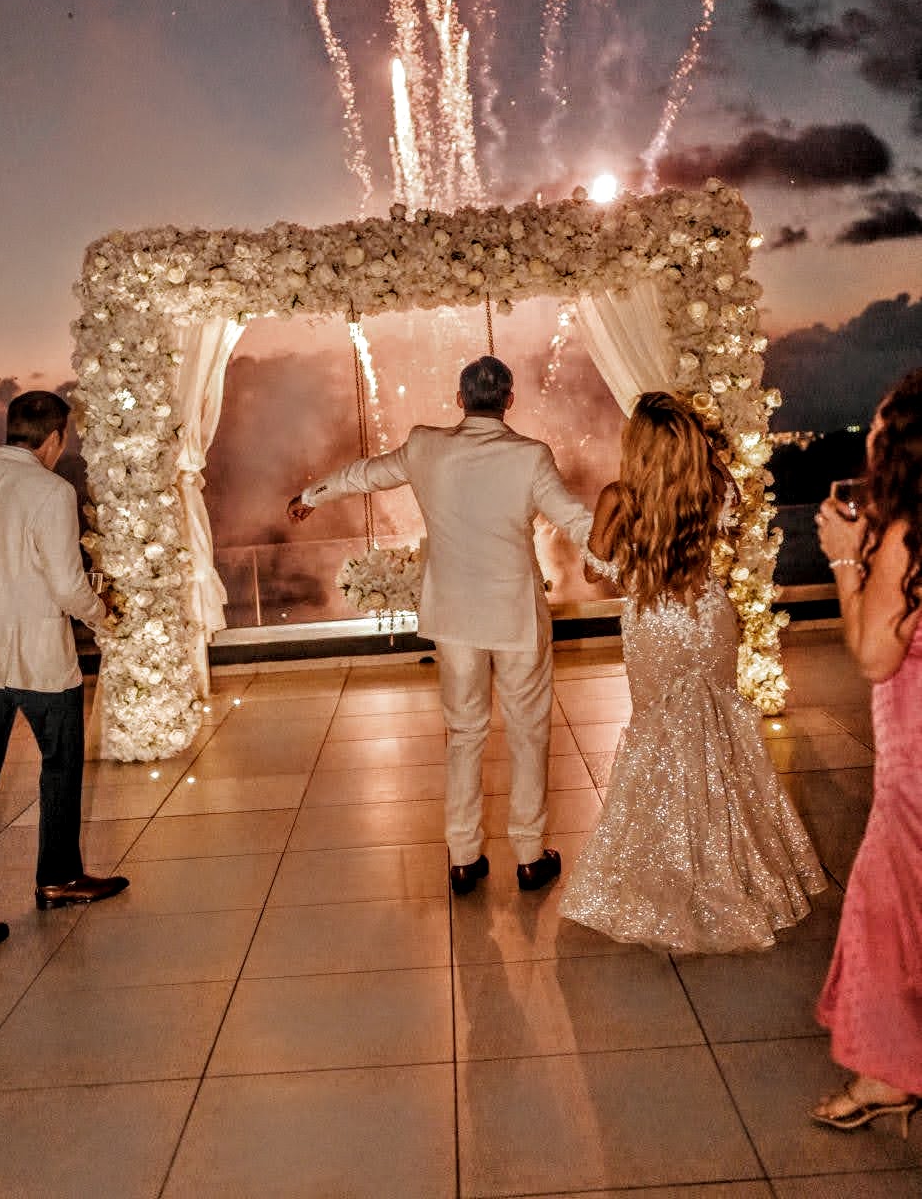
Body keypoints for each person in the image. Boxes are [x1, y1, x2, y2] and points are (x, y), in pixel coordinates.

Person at [288, 355, 596, 894]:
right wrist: (627, 554)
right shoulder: (530, 457)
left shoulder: (427, 446)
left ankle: (462, 857)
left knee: (464, 734)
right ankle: (528, 855)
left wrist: (311, 496)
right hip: (516, 617)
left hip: (454, 619)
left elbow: (367, 473)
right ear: (509, 400)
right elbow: (574, 518)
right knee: (529, 733)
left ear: (459, 399)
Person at [560, 391, 825, 952]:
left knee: (660, 738)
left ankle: (671, 861)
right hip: (708, 616)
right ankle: (734, 866)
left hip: (654, 621)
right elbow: (728, 535)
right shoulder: (715, 483)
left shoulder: (619, 497)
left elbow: (592, 574)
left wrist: (622, 548)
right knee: (721, 737)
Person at [0, 391, 129, 947]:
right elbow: (65, 585)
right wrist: (102, 614)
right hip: (38, 657)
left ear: (11, 427)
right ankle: (58, 878)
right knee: (59, 763)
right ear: (56, 436)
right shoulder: (52, 489)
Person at [811, 366, 922, 1137]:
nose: (871, 438)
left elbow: (875, 656)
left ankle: (887, 1072)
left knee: (889, 905)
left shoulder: (908, 537)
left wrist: (848, 557)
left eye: (880, 430)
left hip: (916, 755)